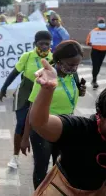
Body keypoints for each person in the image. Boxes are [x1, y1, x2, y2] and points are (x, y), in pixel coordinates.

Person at [29, 60, 106, 195]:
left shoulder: (73, 77)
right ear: (100, 115)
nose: (73, 67)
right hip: (62, 189)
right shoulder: (81, 130)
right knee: (41, 165)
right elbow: (40, 123)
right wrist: (47, 90)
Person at [24, 40, 86, 189]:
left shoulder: (73, 76)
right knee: (41, 169)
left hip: (66, 128)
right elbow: (31, 110)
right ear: (59, 61)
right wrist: (24, 137)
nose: (74, 68)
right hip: (43, 131)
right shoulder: (44, 77)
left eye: (77, 65)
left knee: (61, 169)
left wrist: (80, 91)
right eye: (71, 64)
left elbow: (69, 96)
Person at [0, 31, 53, 169]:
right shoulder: (27, 56)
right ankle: (15, 157)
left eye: (47, 43)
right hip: (25, 92)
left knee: (41, 125)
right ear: (35, 44)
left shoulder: (53, 58)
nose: (45, 46)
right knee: (22, 124)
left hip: (42, 93)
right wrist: (4, 88)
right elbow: (14, 73)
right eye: (41, 43)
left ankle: (41, 153)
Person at [86, 17, 106, 89]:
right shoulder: (94, 31)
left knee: (99, 66)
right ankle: (94, 80)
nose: (101, 24)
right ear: (98, 24)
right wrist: (89, 43)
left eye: (102, 22)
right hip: (95, 51)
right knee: (95, 65)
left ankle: (94, 78)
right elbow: (88, 41)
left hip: (103, 52)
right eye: (100, 23)